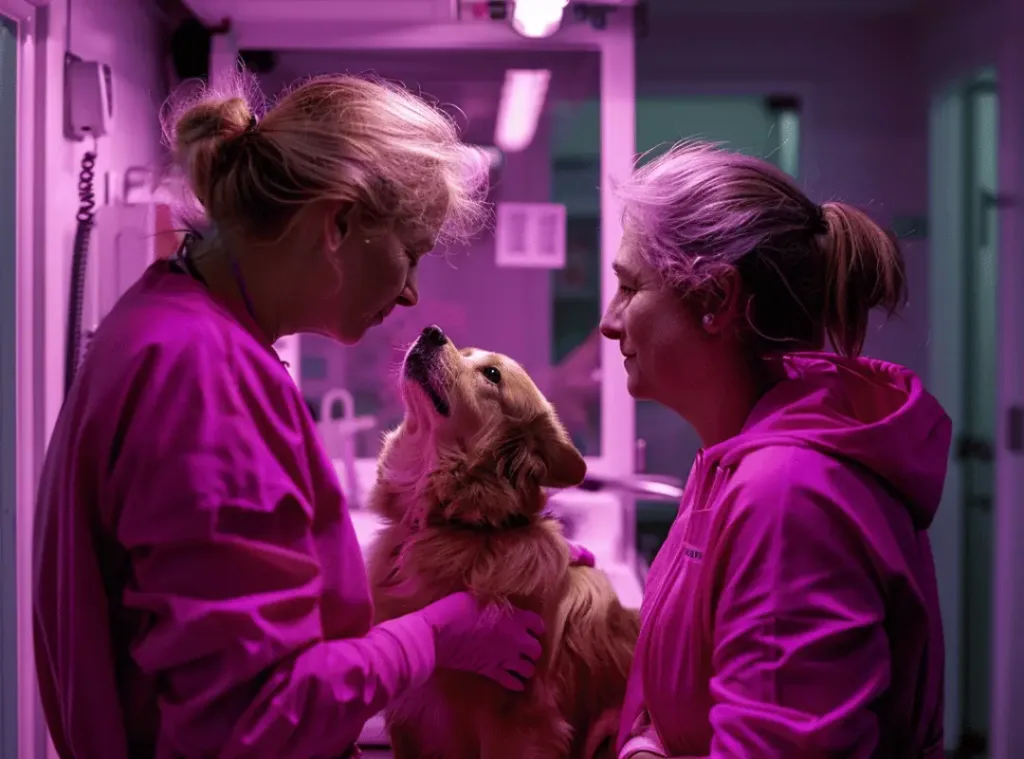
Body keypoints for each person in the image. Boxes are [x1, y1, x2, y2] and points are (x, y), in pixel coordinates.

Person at [33, 73, 592, 759]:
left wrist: (488, 567)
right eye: (410, 253)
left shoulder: (168, 321)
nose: (413, 293)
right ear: (338, 224)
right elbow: (260, 718)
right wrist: (440, 631)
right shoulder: (205, 377)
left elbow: (251, 614)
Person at [601, 142, 949, 758]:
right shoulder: (734, 460)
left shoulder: (789, 495)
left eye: (630, 287)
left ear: (715, 301)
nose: (610, 320)